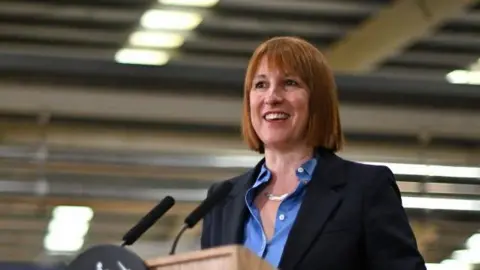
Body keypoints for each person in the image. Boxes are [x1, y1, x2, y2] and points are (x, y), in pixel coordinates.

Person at [200, 36, 426, 270]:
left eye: (289, 83)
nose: (272, 97)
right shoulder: (222, 200)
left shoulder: (365, 189)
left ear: (317, 100)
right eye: (260, 85)